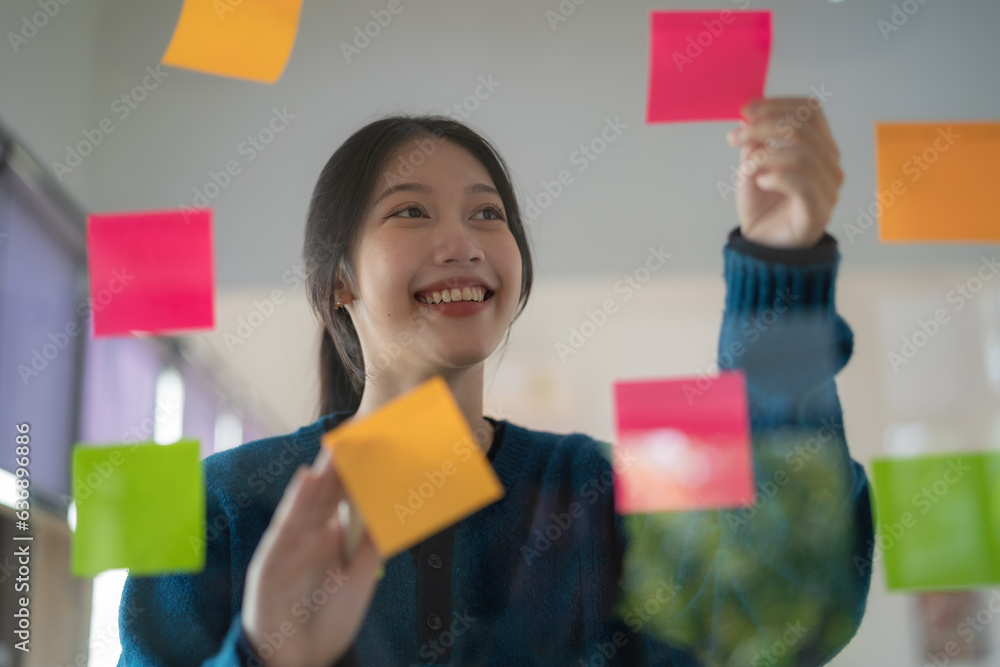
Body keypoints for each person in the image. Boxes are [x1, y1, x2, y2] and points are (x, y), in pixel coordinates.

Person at [118, 99, 873, 666]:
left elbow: (791, 610)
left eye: (489, 214)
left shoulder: (604, 489)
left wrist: (780, 274)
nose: (463, 242)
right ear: (338, 280)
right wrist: (262, 652)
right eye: (410, 211)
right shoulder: (218, 506)